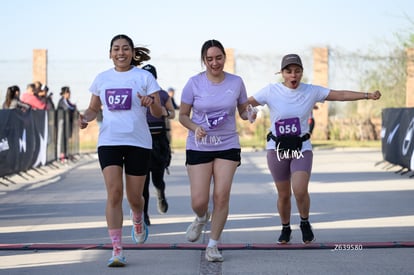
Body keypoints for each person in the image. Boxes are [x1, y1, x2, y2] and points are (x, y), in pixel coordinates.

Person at [247, 53, 381, 245]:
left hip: (301, 147)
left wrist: (367, 95)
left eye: (297, 71)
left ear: (302, 73)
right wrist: (247, 110)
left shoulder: (311, 91)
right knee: (284, 194)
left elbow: (340, 95)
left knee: (300, 190)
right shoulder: (270, 91)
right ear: (282, 73)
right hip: (277, 148)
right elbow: (246, 103)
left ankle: (304, 222)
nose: (293, 75)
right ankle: (285, 227)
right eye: (288, 71)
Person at [78, 34, 163, 268]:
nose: (121, 52)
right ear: (110, 53)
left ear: (132, 52)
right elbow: (93, 109)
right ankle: (117, 249)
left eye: (125, 48)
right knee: (114, 193)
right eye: (116, 49)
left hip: (138, 142)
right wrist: (84, 118)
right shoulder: (102, 78)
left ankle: (138, 217)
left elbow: (159, 112)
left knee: (135, 197)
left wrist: (150, 102)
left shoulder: (144, 77)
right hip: (109, 141)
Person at [179, 39, 252, 262]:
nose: (214, 62)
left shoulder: (236, 82)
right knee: (199, 200)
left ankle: (213, 245)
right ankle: (201, 218)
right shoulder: (194, 83)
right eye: (209, 59)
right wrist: (195, 127)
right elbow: (182, 115)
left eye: (218, 58)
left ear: (224, 58)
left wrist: (250, 114)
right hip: (199, 145)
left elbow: (242, 110)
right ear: (204, 60)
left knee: (221, 195)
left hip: (227, 144)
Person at [141, 64, 175, 226]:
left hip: (159, 141)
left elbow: (173, 113)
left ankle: (160, 193)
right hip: (141, 141)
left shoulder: (161, 94)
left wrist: (164, 112)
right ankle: (144, 214)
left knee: (157, 179)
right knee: (143, 183)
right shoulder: (138, 93)